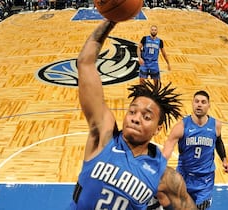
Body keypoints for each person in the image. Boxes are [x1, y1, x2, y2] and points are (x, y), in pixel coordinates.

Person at [69, 19, 196, 210]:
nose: (136, 118)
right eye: (132, 111)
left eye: (147, 117)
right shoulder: (104, 136)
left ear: (158, 128)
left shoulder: (167, 178)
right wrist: (111, 20)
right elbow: (85, 63)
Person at [163, 90, 228, 210]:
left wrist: (224, 160)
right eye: (196, 101)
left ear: (209, 105)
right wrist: (160, 164)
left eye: (203, 102)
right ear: (192, 103)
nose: (199, 104)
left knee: (200, 207)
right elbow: (168, 145)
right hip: (184, 176)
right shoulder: (182, 126)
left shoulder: (216, 125)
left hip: (205, 179)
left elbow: (218, 142)